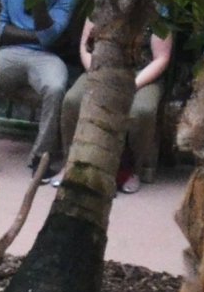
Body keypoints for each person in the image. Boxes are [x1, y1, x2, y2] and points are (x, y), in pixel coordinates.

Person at [52, 21, 175, 192]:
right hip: (100, 69)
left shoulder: (158, 13)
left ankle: (135, 170)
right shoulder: (99, 7)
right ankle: (70, 163)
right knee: (73, 100)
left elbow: (161, 58)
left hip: (141, 74)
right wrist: (98, 75)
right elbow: (86, 49)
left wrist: (132, 85)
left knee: (142, 111)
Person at [0, 0, 78, 177]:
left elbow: (49, 37)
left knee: (55, 88)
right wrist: (39, 37)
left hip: (47, 57)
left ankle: (41, 158)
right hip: (10, 51)